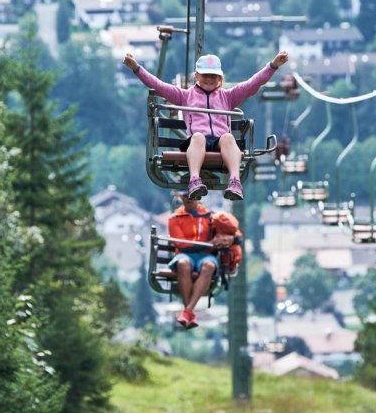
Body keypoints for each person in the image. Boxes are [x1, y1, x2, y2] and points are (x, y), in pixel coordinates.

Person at [124, 50, 290, 201]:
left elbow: (252, 84)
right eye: (205, 75)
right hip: (198, 142)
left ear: (219, 78)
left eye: (213, 75)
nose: (209, 79)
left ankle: (234, 181)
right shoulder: (185, 96)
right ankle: (194, 180)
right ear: (197, 76)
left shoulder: (228, 97)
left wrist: (273, 66)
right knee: (198, 137)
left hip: (219, 143)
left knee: (228, 137)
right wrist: (137, 69)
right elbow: (158, 86)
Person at [167, 192, 236, 329]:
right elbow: (182, 244)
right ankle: (189, 312)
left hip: (205, 255)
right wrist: (208, 243)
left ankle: (187, 311)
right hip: (185, 254)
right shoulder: (175, 218)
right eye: (186, 198)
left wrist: (223, 240)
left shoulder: (210, 217)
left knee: (209, 266)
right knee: (183, 264)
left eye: (192, 197)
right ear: (181, 198)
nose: (189, 200)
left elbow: (225, 235)